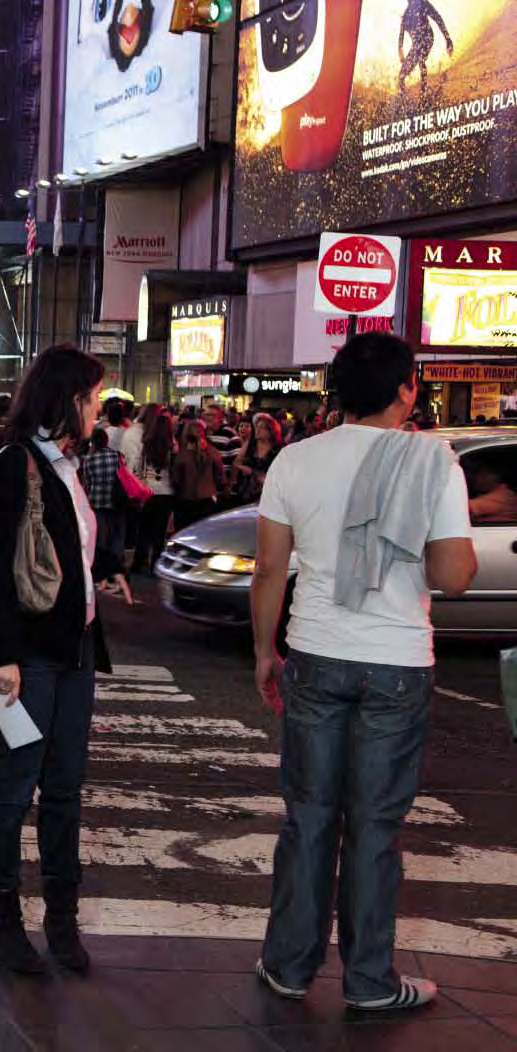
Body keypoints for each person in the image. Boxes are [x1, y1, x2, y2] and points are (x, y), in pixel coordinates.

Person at [252, 332, 477, 1012]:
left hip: (316, 651)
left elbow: (269, 572)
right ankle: (371, 981)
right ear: (409, 389)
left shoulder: (294, 460)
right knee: (376, 825)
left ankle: (288, 968)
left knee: (310, 818)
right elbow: (454, 576)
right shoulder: (434, 461)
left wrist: (266, 652)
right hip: (398, 662)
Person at [0, 342, 111, 976]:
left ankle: (62, 919)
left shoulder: (67, 468)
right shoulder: (14, 464)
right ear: (67, 400)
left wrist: (103, 575)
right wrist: (3, 659)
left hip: (75, 654)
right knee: (13, 787)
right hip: (21, 660)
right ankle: (4, 920)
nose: (97, 409)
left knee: (64, 790)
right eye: (90, 398)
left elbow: (67, 554)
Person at [130, 409, 176, 574]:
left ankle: (139, 562)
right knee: (160, 532)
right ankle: (155, 564)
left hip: (148, 491)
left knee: (143, 529)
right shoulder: (172, 448)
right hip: (166, 492)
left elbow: (138, 468)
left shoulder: (146, 445)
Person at [80, 427, 126, 580]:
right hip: (117, 500)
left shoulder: (88, 460)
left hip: (97, 500)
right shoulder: (116, 456)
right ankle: (117, 567)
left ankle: (101, 568)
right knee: (118, 534)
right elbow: (125, 478)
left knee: (101, 536)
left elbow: (87, 483)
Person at [171, 419, 223, 531]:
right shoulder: (213, 452)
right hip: (208, 498)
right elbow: (220, 477)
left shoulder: (182, 454)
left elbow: (176, 479)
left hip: (186, 499)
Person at [232, 412, 283, 505]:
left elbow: (278, 478)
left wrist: (252, 472)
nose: (257, 430)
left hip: (266, 496)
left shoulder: (278, 450)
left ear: (271, 431)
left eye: (261, 427)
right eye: (256, 427)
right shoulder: (251, 445)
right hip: (245, 493)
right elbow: (236, 463)